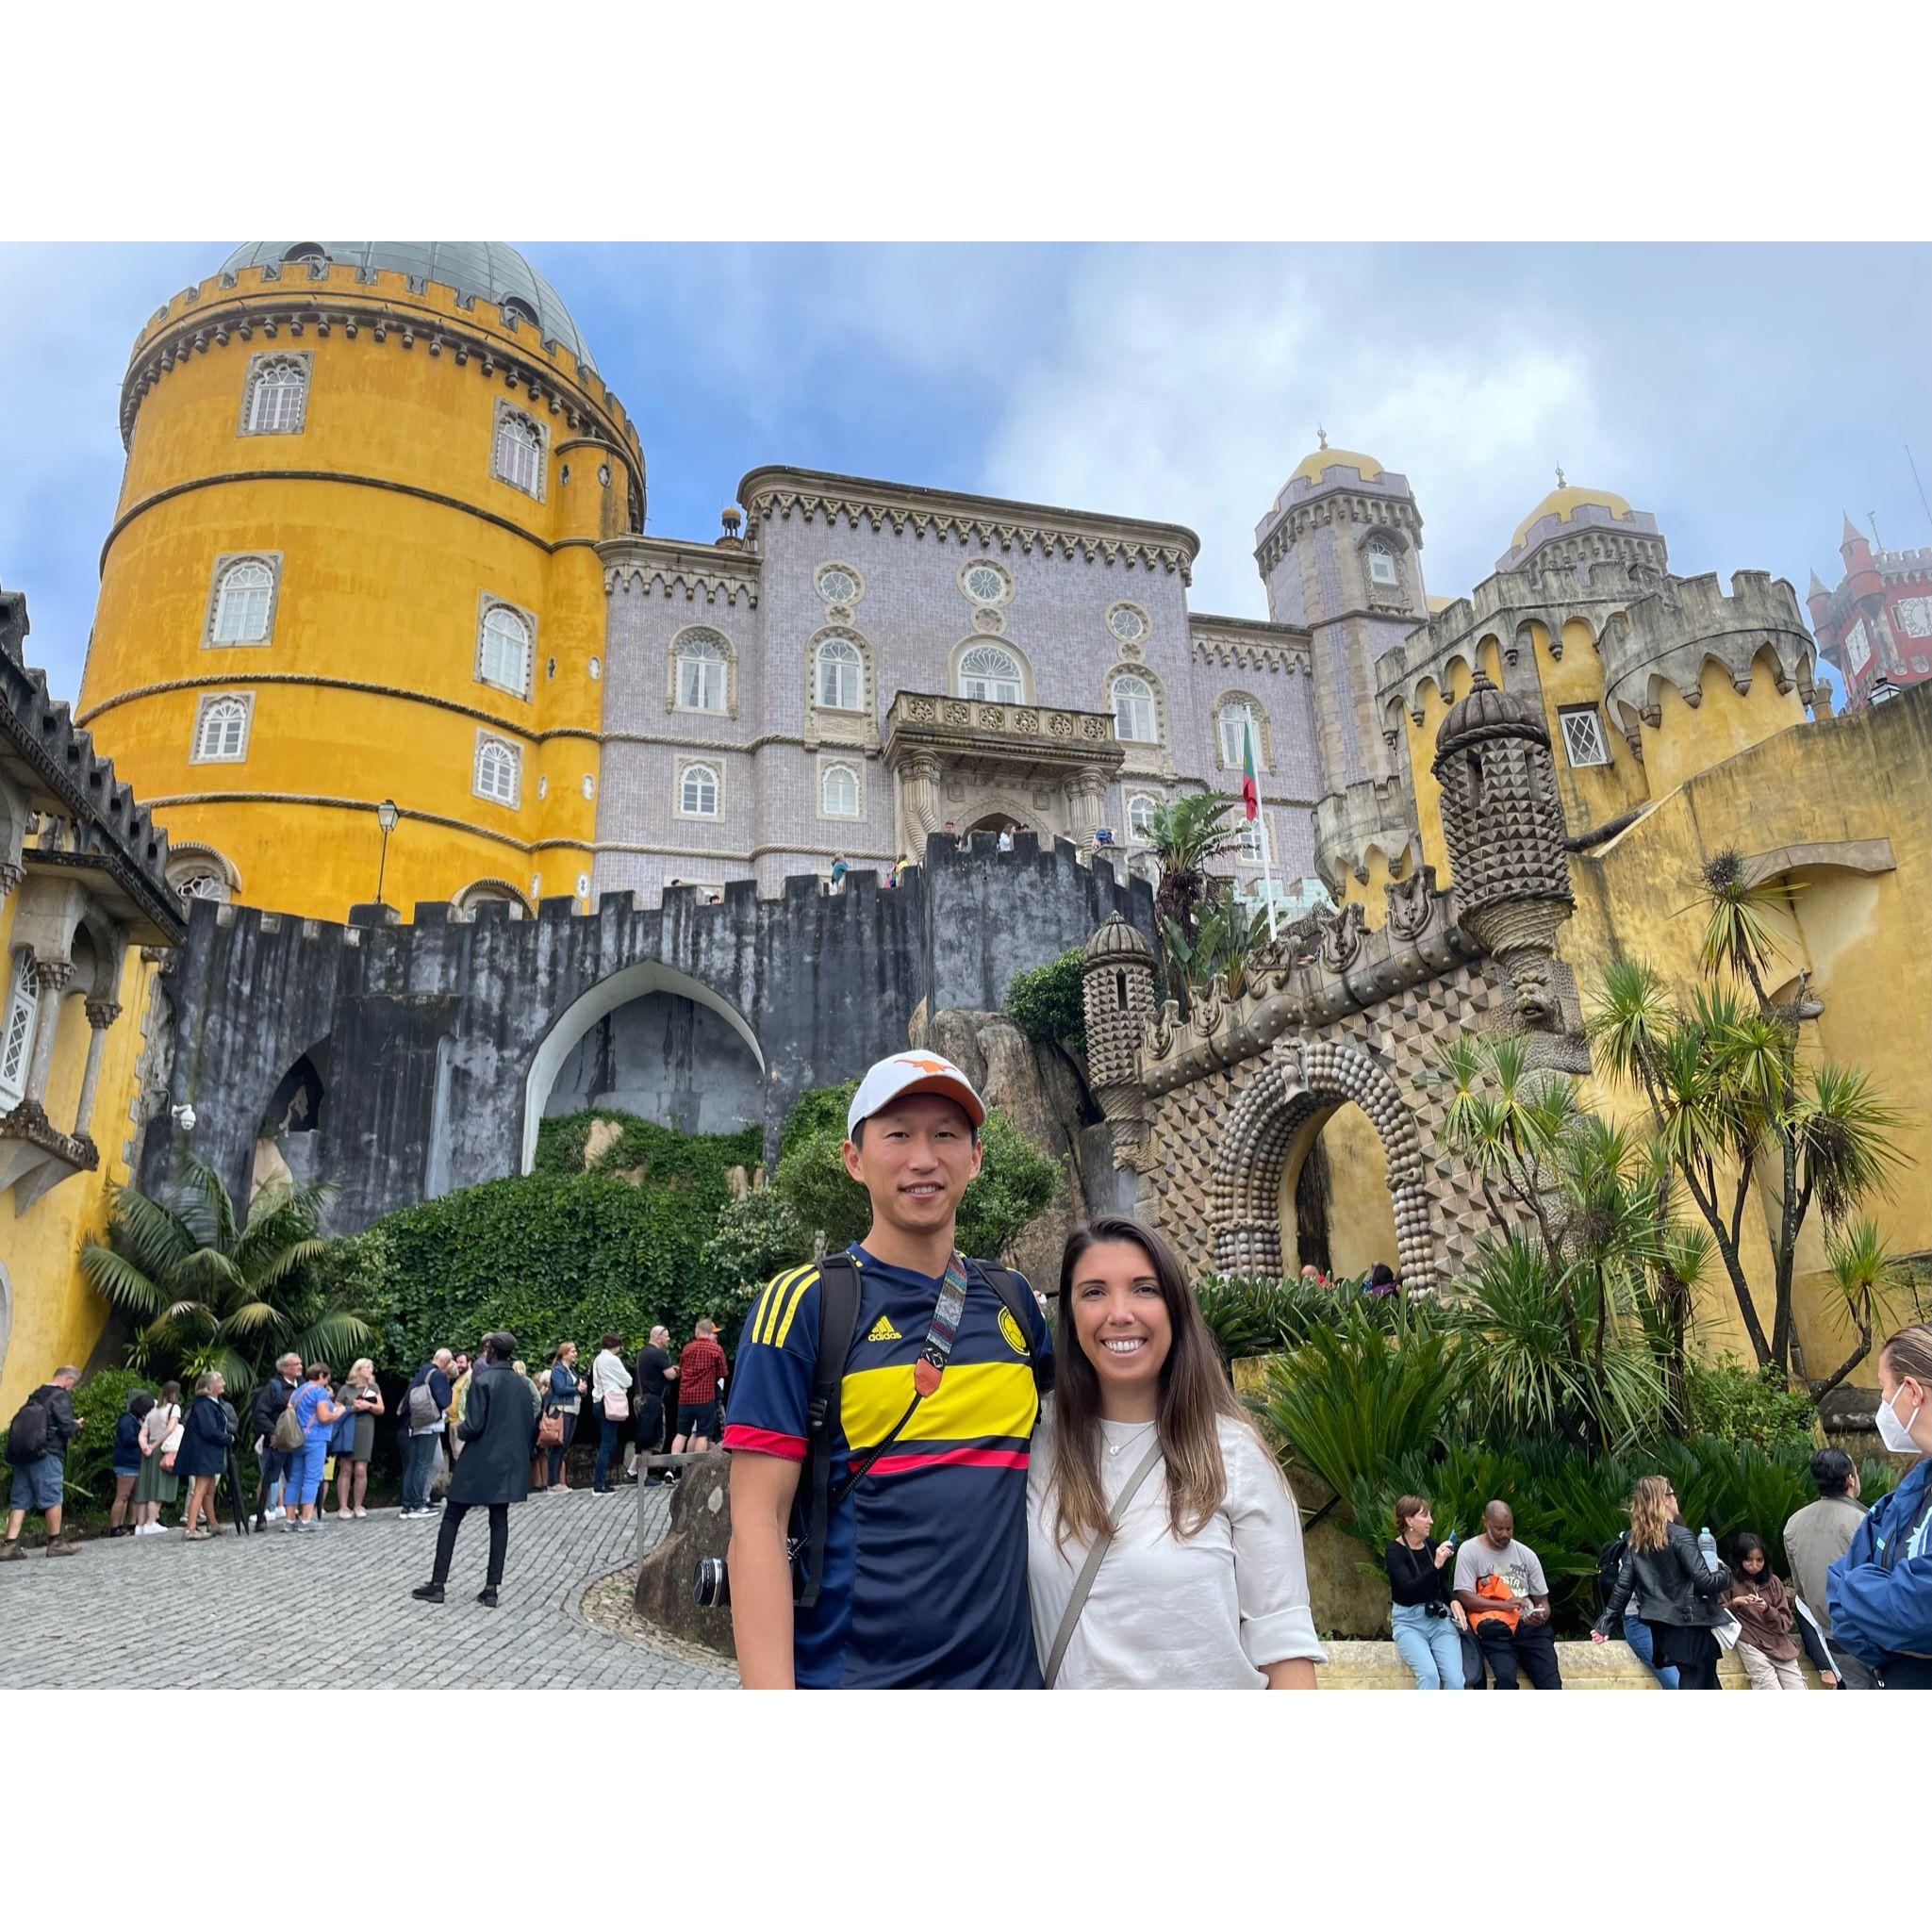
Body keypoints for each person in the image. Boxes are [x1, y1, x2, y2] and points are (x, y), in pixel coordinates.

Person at [724, 1049, 1052, 1688]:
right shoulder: (804, 1305)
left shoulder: (1014, 1301)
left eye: (946, 1135)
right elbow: (756, 1522)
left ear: (975, 1158)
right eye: (897, 1133)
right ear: (854, 1159)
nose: (923, 1158)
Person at [1029, 1217, 1323, 1689]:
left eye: (1144, 1289)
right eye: (1094, 1292)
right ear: (1070, 1317)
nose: (1120, 1312)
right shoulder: (1039, 1449)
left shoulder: (1233, 1454)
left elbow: (1285, 1652)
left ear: (1175, 1308)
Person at [1828, 1321, 1932, 1689]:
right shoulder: (1906, 1491)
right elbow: (1836, 1593)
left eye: (1885, 1388)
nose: (1883, 1403)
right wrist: (1900, 1643)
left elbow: (1920, 1610)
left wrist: (1860, 1590)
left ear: (1913, 1391)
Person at [412, 1331, 536, 1608]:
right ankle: (492, 1588)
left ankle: (438, 1583)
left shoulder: (483, 1381)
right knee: (499, 1520)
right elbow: (529, 1421)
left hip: (479, 1459)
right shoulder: (521, 1384)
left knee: (453, 1516)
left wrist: (460, 1429)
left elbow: (475, 1425)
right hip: (508, 1460)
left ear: (491, 1351)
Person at [1591, 1474, 1730, 1689]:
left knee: (1698, 1684)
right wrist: (1725, 1571)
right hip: (1691, 1626)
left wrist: (1606, 1623)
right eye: (1672, 1493)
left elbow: (1623, 1586)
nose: (1676, 1499)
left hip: (1665, 1629)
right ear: (1664, 1499)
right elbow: (1706, 1582)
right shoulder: (1680, 1535)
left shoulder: (1638, 1541)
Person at [1454, 1500, 1562, 1689]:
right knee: (1505, 1680)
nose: (1505, 1534)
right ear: (1485, 1522)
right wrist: (1504, 1605)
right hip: (1496, 1627)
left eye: (1509, 1529)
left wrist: (1540, 1615)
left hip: (1528, 1628)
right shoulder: (1469, 1551)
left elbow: (1543, 1602)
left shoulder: (1526, 1555)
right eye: (1499, 1529)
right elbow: (1465, 1596)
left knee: (1551, 1684)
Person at [1783, 1447, 1868, 1688]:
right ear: (1850, 1479)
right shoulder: (1863, 1522)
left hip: (1834, 1635)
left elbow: (1801, 1589)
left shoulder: (1794, 1524)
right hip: (1872, 1635)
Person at [1384, 1495, 1466, 1689]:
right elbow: (1409, 1589)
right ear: (1409, 1520)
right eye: (1425, 1516)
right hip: (1408, 1622)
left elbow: (1441, 1582)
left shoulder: (1431, 1545)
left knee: (1455, 1681)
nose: (1431, 1521)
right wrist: (1436, 1564)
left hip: (1438, 1620)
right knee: (1430, 1676)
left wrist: (1453, 1600)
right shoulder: (1394, 1550)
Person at [2, 1364, 83, 1559]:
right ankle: (56, 1542)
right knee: (53, 1495)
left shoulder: (36, 1394)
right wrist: (76, 1425)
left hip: (24, 1454)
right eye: (73, 1385)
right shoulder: (60, 1396)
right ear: (68, 1381)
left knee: (19, 1499)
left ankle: (10, 1544)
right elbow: (64, 1426)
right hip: (47, 1453)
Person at [1726, 1532, 1806, 1690]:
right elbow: (1719, 1613)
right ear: (1739, 1559)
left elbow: (1785, 1622)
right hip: (1752, 1644)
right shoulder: (1729, 1581)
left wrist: (1768, 1610)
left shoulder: (1774, 1582)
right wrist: (1735, 1603)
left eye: (1759, 1560)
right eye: (1748, 1560)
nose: (1754, 1565)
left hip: (1780, 1646)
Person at [282, 1363, 348, 1532]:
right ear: (321, 1376)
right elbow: (324, 1417)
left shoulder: (297, 1392)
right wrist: (338, 1412)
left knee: (295, 1478)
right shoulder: (319, 1392)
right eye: (326, 1377)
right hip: (316, 1439)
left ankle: (289, 1520)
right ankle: (306, 1519)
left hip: (297, 1439)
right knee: (312, 1478)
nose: (327, 1381)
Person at [175, 1371, 235, 1541]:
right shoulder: (204, 1405)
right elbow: (209, 1430)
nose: (223, 1383)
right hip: (203, 1452)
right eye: (220, 1380)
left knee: (208, 1489)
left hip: (206, 1451)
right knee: (201, 1489)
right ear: (211, 1386)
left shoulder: (206, 1403)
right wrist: (227, 1438)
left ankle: (212, 1523)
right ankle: (191, 1527)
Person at [399, 1348, 454, 1520]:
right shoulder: (437, 1375)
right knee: (424, 1464)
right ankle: (418, 1503)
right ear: (445, 1362)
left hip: (416, 1424)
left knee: (414, 1464)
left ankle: (407, 1503)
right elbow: (445, 1401)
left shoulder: (422, 1372)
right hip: (430, 1425)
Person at [251, 1351, 303, 1524]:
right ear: (285, 1368)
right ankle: (261, 1516)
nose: (300, 1366)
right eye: (296, 1364)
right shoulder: (274, 1387)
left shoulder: (302, 1384)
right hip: (277, 1443)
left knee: (295, 1476)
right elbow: (260, 1413)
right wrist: (273, 1432)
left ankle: (292, 1515)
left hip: (296, 1440)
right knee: (269, 1478)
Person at [331, 1358, 383, 1520]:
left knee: (361, 1468)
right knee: (346, 1468)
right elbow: (336, 1408)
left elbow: (381, 1409)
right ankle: (343, 1506)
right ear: (358, 1370)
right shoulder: (346, 1389)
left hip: (365, 1428)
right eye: (367, 1368)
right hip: (349, 1427)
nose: (370, 1371)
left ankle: (358, 1505)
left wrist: (367, 1406)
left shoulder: (374, 1387)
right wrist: (351, 1408)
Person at [624, 1326, 675, 1485]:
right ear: (658, 1337)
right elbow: (671, 1375)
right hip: (652, 1401)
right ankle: (642, 1475)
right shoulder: (658, 1353)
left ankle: (633, 1471)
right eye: (666, 1336)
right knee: (651, 1438)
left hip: (641, 1398)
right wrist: (675, 1370)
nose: (668, 1339)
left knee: (644, 1436)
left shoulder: (643, 1353)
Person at [133, 1379, 183, 1535]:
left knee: (145, 1487)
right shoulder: (174, 1408)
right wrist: (155, 1447)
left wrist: (146, 1447)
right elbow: (170, 1429)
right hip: (162, 1448)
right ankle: (151, 1522)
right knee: (158, 1486)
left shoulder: (152, 1411)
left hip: (148, 1448)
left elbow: (142, 1434)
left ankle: (139, 1525)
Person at [671, 1320, 727, 1457]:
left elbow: (682, 1369)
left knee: (681, 1433)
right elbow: (723, 1372)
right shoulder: (716, 1349)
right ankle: (696, 1468)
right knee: (703, 1434)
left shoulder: (687, 1348)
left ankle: (672, 1466)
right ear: (710, 1332)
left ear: (697, 1332)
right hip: (705, 1399)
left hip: (685, 1399)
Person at [590, 1332, 633, 1494]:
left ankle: (600, 1481)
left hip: (598, 1402)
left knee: (606, 1442)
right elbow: (628, 1380)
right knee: (607, 1444)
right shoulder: (612, 1360)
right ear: (616, 1345)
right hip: (608, 1403)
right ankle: (599, 1483)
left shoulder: (598, 1359)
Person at [109, 1391, 156, 1535]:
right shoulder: (127, 1420)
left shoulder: (137, 1421)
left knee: (135, 1496)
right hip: (126, 1463)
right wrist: (143, 1439)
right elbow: (127, 1439)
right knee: (122, 1496)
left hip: (136, 1462)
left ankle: (131, 1523)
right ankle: (115, 1526)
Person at [543, 1342, 586, 1490]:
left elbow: (577, 1388)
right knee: (558, 1445)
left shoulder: (571, 1370)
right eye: (572, 1351)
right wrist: (576, 1389)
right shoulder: (558, 1370)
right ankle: (552, 1482)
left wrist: (582, 1389)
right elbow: (560, 1389)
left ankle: (557, 1481)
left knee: (564, 1446)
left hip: (572, 1409)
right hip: (561, 1409)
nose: (575, 1354)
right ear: (564, 1353)